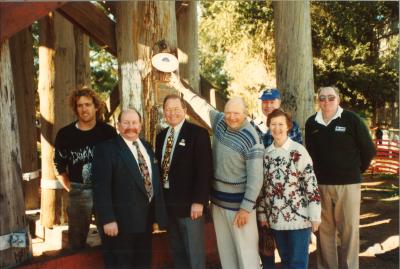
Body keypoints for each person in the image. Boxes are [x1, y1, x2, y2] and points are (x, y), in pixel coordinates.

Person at [168, 77, 264, 269]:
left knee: (246, 255)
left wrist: (246, 208)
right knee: (226, 253)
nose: (231, 117)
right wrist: (180, 87)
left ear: (245, 114)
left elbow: (256, 178)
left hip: (240, 206)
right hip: (218, 203)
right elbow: (200, 104)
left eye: (236, 113)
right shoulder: (219, 121)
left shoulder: (252, 138)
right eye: (228, 112)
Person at [305, 86, 376, 269]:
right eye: (322, 98)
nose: (326, 102)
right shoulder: (311, 123)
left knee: (349, 232)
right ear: (318, 101)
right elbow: (310, 153)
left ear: (338, 99)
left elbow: (368, 149)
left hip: (348, 185)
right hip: (320, 186)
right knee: (324, 233)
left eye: (331, 97)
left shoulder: (352, 120)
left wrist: (356, 171)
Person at [92, 109, 168, 269]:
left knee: (143, 264)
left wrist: (157, 217)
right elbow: (101, 188)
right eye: (126, 123)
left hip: (145, 222)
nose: (130, 127)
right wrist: (107, 219)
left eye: (134, 123)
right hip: (120, 225)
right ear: (118, 126)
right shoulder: (106, 149)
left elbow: (153, 182)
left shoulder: (146, 147)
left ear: (140, 125)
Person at [54, 87, 117, 250]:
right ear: (75, 109)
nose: (84, 109)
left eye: (88, 104)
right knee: (76, 241)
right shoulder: (65, 134)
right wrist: (72, 188)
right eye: (80, 105)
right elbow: (58, 165)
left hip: (105, 190)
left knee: (111, 236)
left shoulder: (108, 132)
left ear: (96, 107)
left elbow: (118, 162)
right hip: (79, 190)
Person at [257, 109, 321, 269]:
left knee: (298, 262)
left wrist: (315, 215)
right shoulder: (266, 154)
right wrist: (262, 213)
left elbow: (310, 183)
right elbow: (263, 187)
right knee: (285, 260)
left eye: (281, 124)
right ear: (268, 126)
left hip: (299, 219)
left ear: (288, 127)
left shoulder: (298, 151)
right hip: (276, 219)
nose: (277, 128)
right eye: (273, 124)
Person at [155, 94, 213, 269]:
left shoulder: (198, 133)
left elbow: (205, 170)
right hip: (169, 205)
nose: (172, 113)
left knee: (194, 255)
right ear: (164, 112)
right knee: (177, 252)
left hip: (191, 206)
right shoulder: (161, 136)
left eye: (176, 109)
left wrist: (199, 201)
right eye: (168, 110)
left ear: (185, 111)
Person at [253, 87, 303, 268]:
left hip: (286, 193)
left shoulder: (291, 126)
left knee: (287, 245)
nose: (268, 105)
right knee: (265, 241)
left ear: (279, 102)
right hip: (261, 189)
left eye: (272, 102)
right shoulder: (254, 125)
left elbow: (297, 159)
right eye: (264, 102)